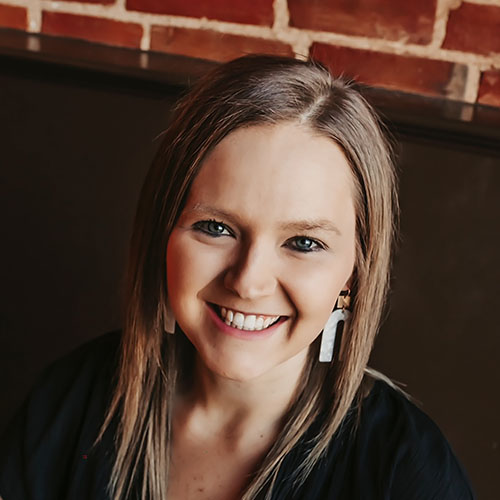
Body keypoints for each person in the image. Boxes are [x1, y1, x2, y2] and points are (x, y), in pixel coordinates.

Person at [0, 55, 474, 500]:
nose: (249, 281)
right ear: (161, 232)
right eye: (216, 228)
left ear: (352, 274)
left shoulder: (406, 471)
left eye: (303, 243)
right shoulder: (72, 399)